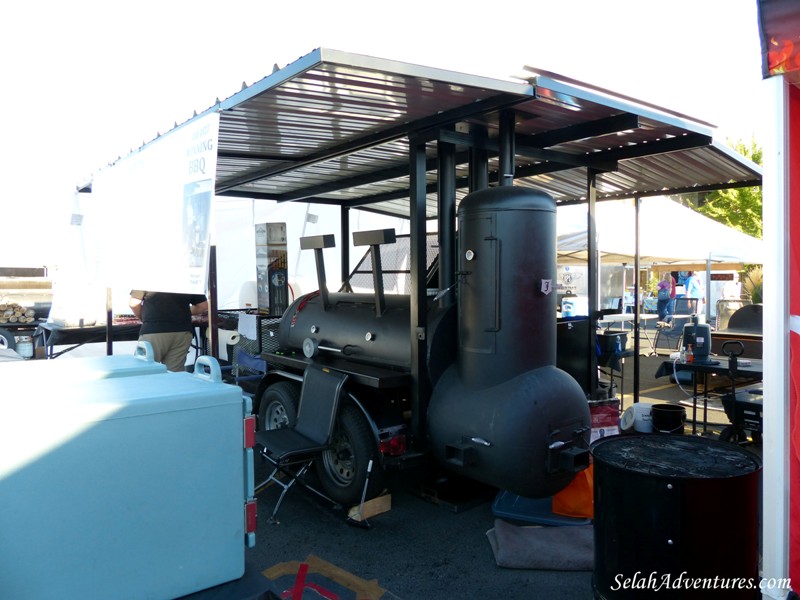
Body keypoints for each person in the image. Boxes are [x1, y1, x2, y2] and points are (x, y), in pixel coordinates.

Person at [129, 291, 208, 372]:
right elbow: (203, 305)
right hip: (182, 331)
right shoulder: (188, 279)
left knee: (144, 372)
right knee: (174, 376)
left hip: (153, 330)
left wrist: (143, 317)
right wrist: (182, 311)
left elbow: (133, 303)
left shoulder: (145, 278)